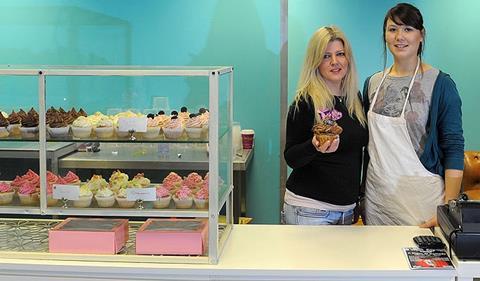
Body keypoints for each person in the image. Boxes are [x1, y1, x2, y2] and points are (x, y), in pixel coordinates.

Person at [363, 3, 464, 227]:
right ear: (385, 35)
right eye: (392, 29)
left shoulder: (441, 84)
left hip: (422, 204)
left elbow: (454, 146)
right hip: (377, 201)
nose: (400, 36)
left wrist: (448, 209)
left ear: (421, 35)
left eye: (407, 29)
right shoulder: (373, 83)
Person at [283, 26, 368, 225]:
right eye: (326, 56)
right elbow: (291, 157)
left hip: (347, 212)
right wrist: (313, 146)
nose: (335, 62)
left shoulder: (354, 99)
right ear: (315, 62)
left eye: (340, 54)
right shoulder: (305, 101)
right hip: (309, 210)